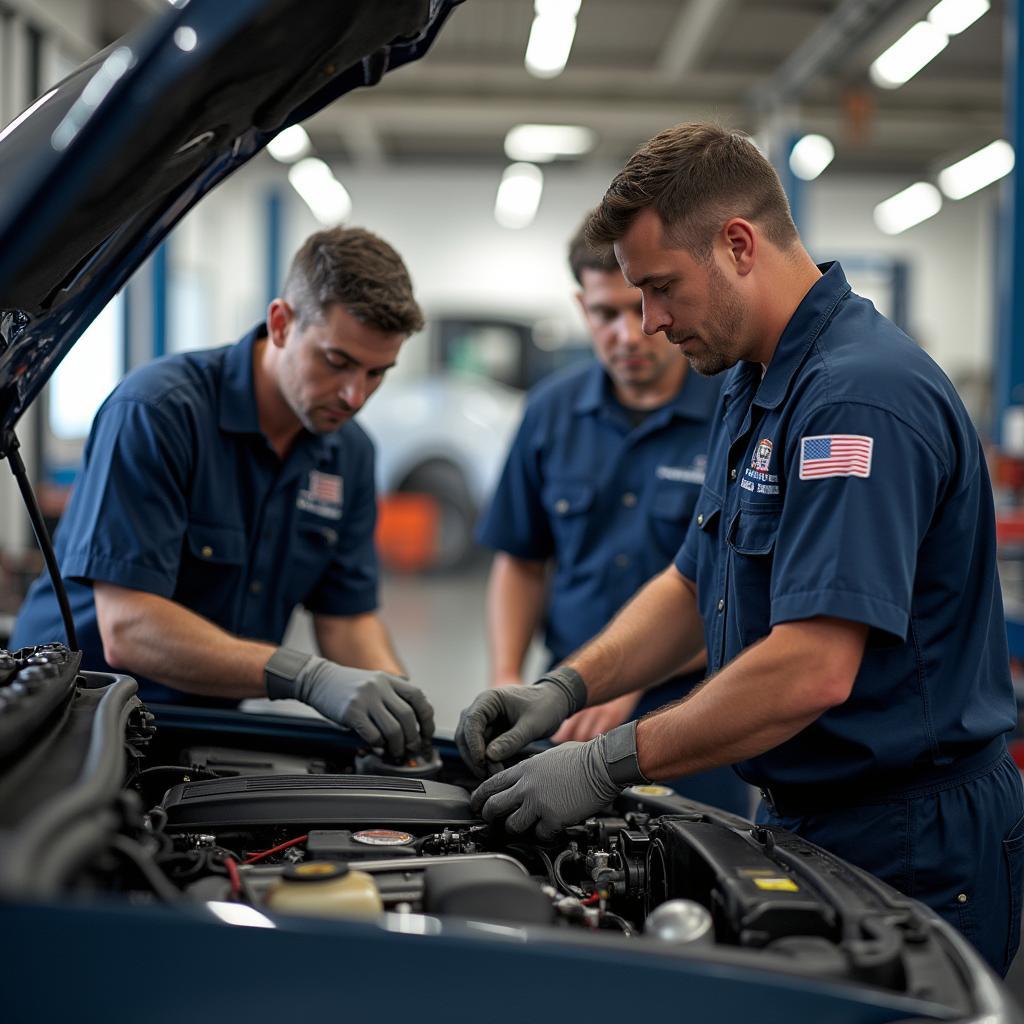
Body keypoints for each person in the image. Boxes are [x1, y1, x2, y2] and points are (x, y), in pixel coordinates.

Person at [456, 122, 1024, 975]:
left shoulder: (856, 400)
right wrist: (562, 686)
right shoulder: (754, 379)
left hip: (911, 836)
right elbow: (694, 583)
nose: (649, 322)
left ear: (737, 245)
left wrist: (607, 761)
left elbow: (810, 668)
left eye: (660, 287)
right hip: (810, 814)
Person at [12, 226, 434, 758]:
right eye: (338, 362)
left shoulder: (349, 454)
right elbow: (129, 627)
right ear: (281, 324)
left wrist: (396, 706)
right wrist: (302, 676)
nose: (355, 395)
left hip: (201, 723)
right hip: (67, 720)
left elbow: (346, 618)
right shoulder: (158, 412)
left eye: (378, 373)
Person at [476, 219, 748, 815]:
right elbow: (520, 559)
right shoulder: (550, 411)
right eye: (605, 314)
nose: (628, 333)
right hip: (564, 703)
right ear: (581, 305)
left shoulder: (737, 410)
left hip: (690, 710)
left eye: (638, 307)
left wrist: (632, 682)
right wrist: (506, 676)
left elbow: (740, 589)